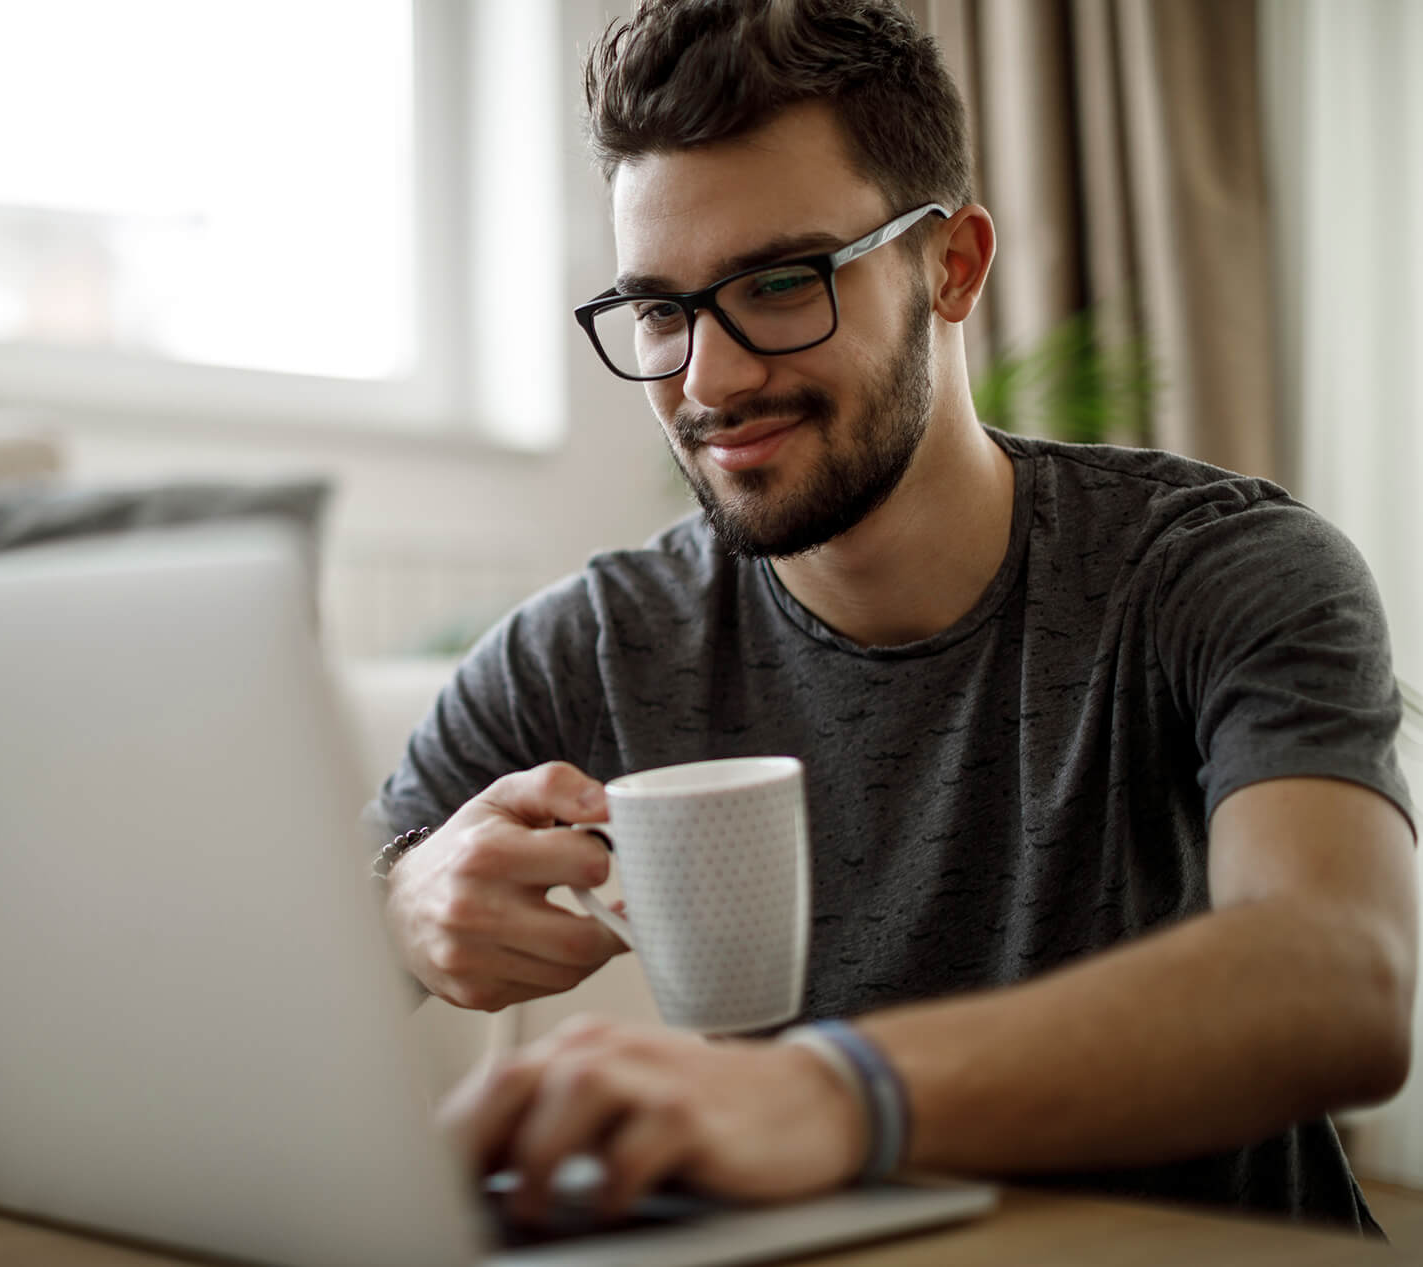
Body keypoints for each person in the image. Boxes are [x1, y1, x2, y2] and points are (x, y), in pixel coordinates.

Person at [370, 0, 1417, 1238]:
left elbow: (1342, 981)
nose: (709, 380)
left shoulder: (1216, 572)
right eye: (660, 309)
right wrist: (403, 916)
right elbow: (283, 965)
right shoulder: (591, 644)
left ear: (953, 265)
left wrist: (833, 1093)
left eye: (778, 281)